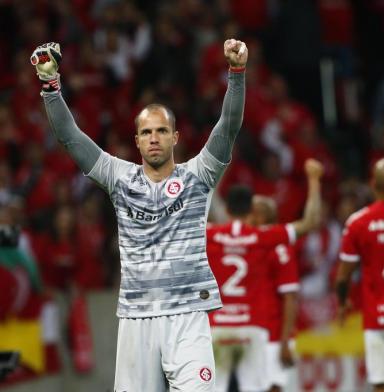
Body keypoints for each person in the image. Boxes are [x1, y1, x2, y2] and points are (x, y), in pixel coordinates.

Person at [30, 39, 248, 391]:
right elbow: (70, 138)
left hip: (188, 316)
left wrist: (236, 73)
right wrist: (50, 86)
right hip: (136, 317)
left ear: (175, 137)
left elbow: (228, 126)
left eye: (162, 131)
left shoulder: (199, 175)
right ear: (136, 140)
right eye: (146, 132)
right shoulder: (119, 177)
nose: (154, 138)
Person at [206, 158, 323, 392]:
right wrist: (314, 180)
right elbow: (310, 222)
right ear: (250, 210)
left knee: (214, 388)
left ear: (227, 210)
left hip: (218, 326)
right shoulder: (263, 238)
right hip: (252, 326)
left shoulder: (209, 235)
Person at [335, 157, 384, 392]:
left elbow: (343, 276)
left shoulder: (358, 222)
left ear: (372, 185)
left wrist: (342, 302)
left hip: (376, 315)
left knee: (382, 382)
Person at [251, 195, 299, 392]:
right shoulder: (250, 245)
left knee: (272, 388)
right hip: (254, 333)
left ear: (261, 216)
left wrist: (285, 341)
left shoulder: (279, 248)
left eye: (251, 212)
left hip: (274, 336)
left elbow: (290, 297)